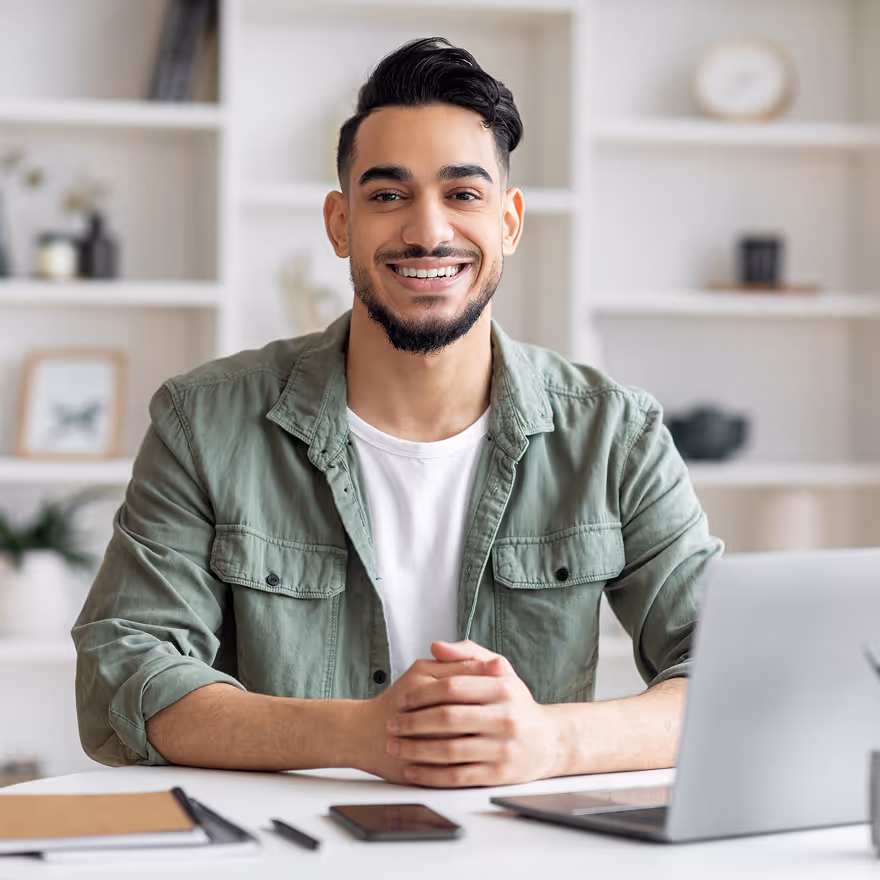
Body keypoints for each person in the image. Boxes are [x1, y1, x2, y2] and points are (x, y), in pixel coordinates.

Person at [74, 38, 722, 789]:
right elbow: (124, 673)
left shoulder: (616, 434)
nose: (427, 231)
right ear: (340, 223)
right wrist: (360, 733)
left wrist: (551, 741)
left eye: (463, 194)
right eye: (388, 195)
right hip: (283, 850)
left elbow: (729, 671)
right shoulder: (203, 421)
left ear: (509, 222)